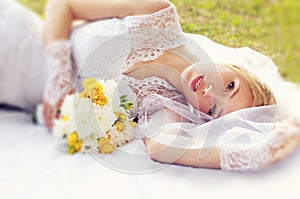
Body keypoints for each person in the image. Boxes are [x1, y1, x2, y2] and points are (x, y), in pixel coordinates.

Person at [0, 0, 299, 171]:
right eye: (230, 86)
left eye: (216, 107)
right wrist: (58, 74)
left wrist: (252, 156)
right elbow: (60, 5)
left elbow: (163, 148)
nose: (210, 92)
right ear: (234, 67)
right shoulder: (157, 14)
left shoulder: (164, 104)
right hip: (12, 31)